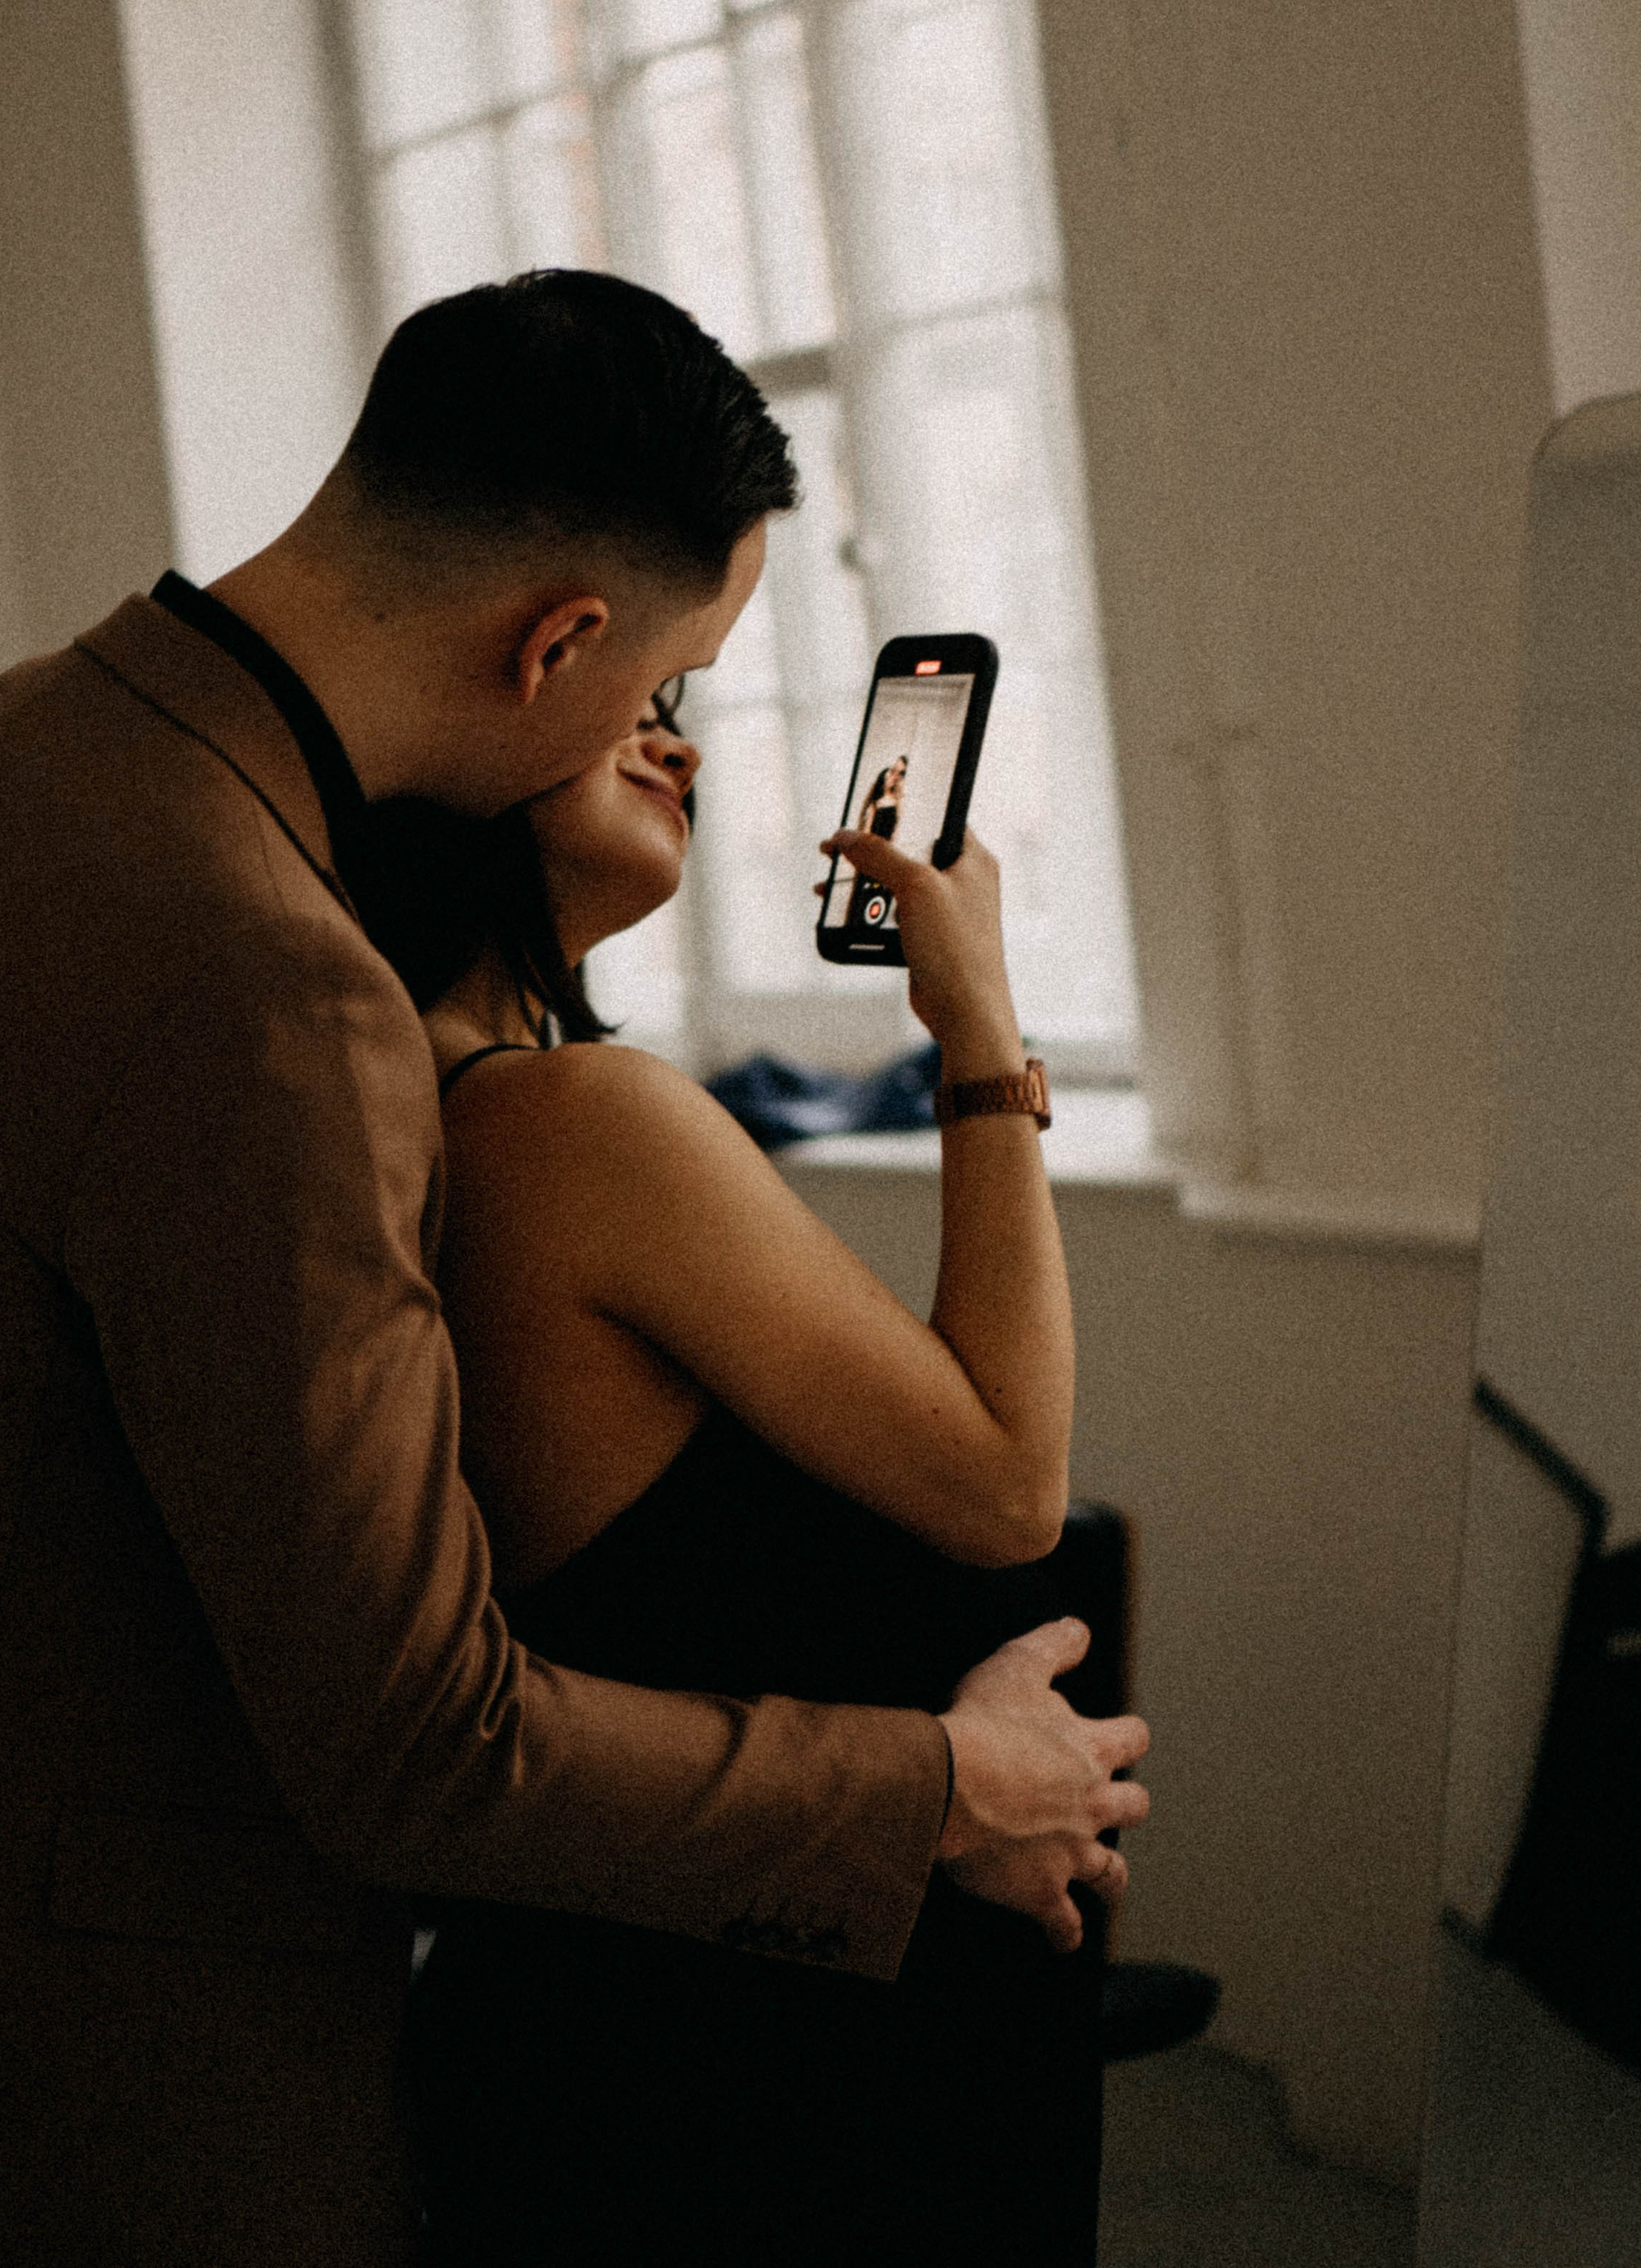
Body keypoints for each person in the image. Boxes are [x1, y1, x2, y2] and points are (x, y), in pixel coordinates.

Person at [0, 272, 1148, 2268]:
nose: (685, 740)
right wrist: (924, 1790)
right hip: (131, 2053)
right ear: (562, 642)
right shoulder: (281, 994)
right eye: (673, 680)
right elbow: (414, 1735)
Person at [350, 687, 1112, 2264]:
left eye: (678, 711)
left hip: (619, 2005)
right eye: (619, 705)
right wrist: (979, 1027)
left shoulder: (397, 1119)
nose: (679, 747)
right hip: (774, 2052)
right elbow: (1004, 1480)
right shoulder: (573, 1122)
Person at [841, 749, 907, 928]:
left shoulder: (897, 801)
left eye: (897, 774)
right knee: (864, 895)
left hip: (887, 856)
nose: (893, 777)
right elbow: (867, 833)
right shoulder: (874, 805)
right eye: (890, 774)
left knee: (880, 896)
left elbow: (896, 830)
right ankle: (855, 926)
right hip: (873, 854)